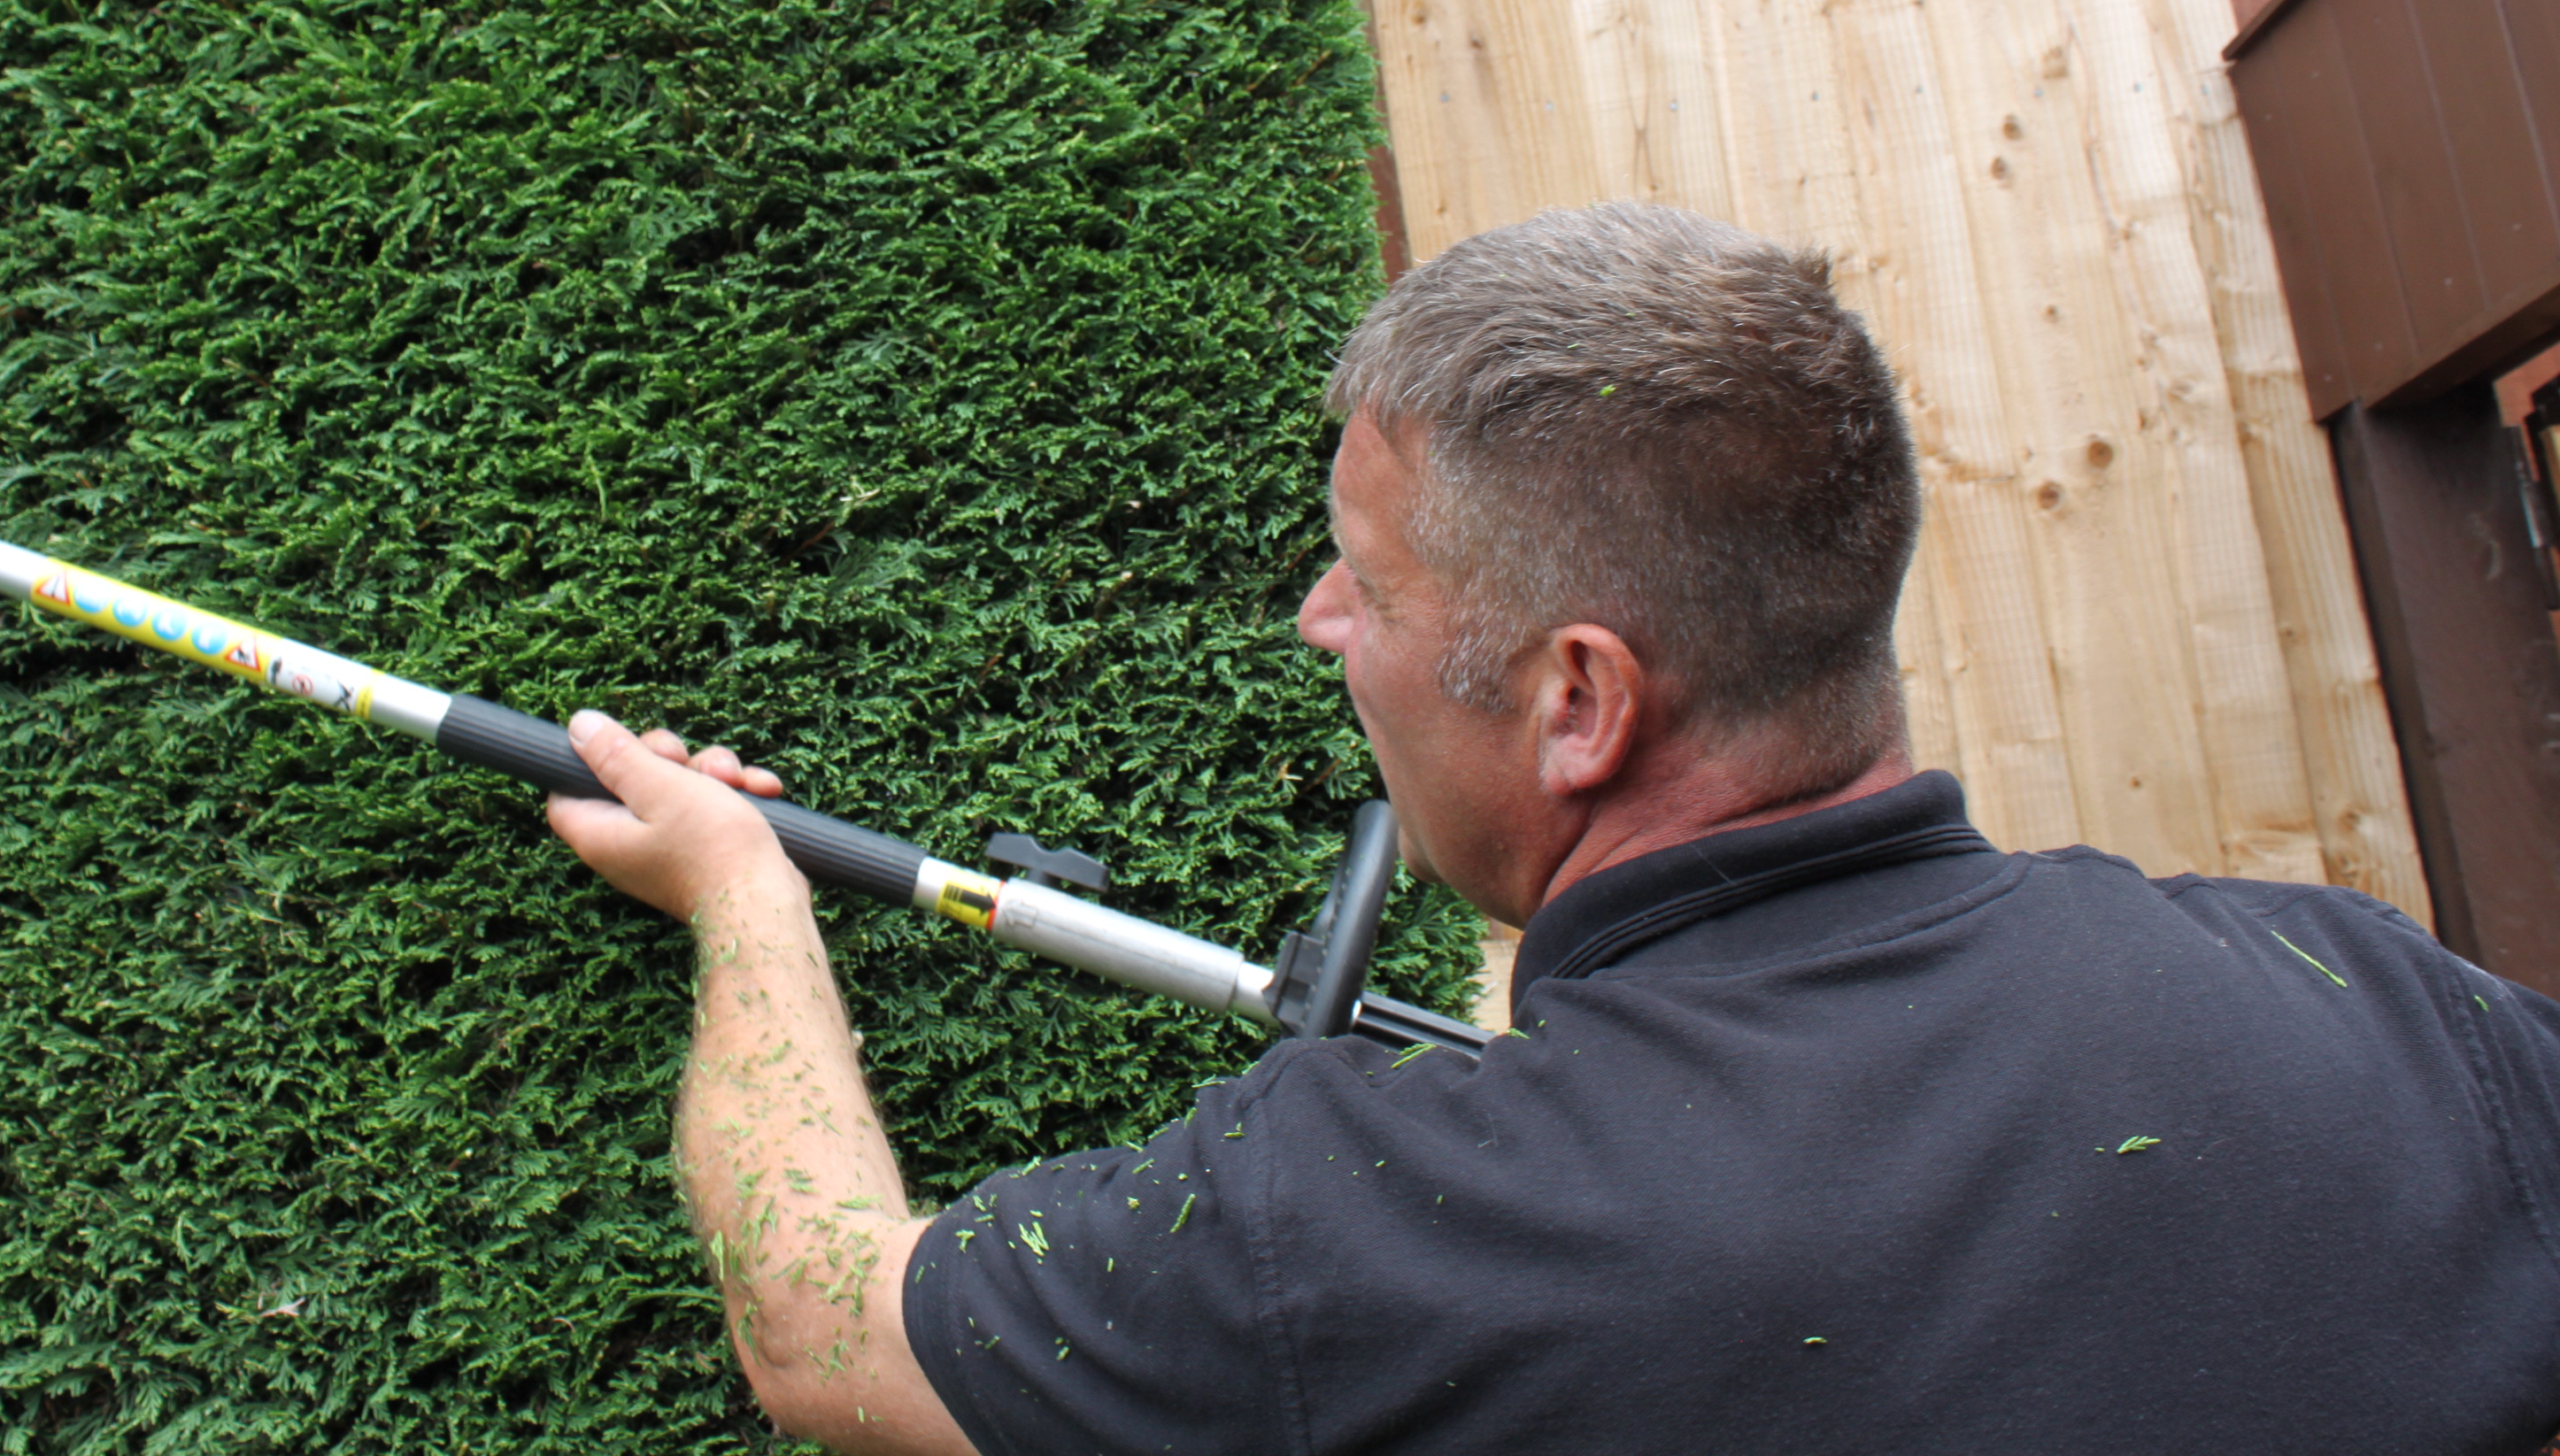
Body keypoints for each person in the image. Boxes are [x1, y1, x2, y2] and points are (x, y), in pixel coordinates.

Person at [549, 202, 2560, 1456]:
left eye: (1369, 581)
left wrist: (742, 900)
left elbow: (831, 1324)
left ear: (1579, 700)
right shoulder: (2374, 997)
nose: (1321, 621)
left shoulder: (1395, 1224)